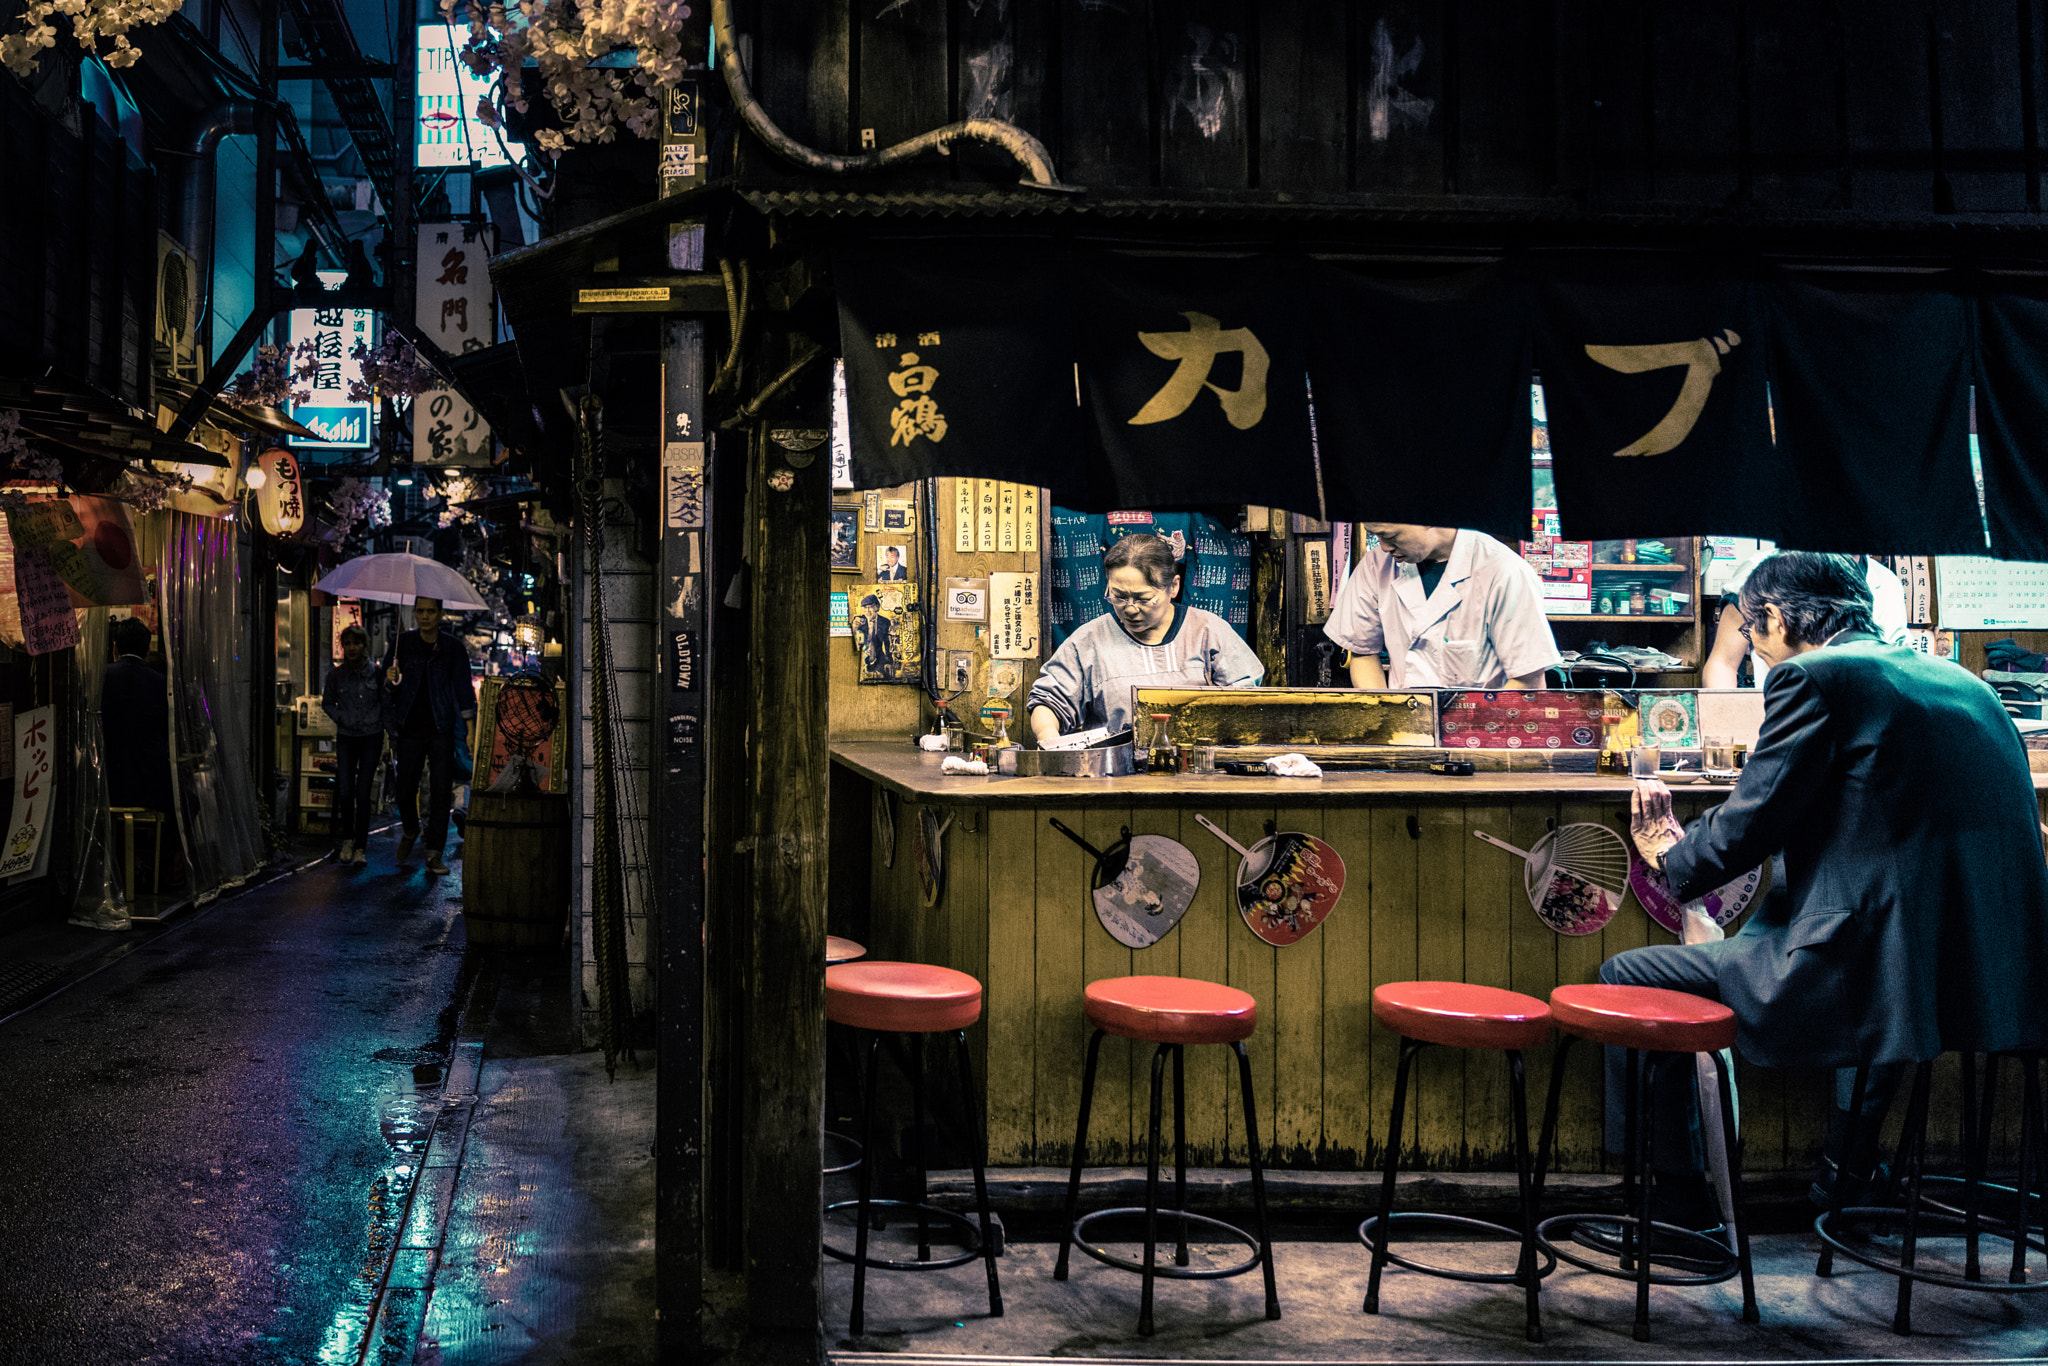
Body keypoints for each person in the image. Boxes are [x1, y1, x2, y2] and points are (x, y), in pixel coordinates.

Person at [1608, 552, 2048, 1255]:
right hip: (1984, 970)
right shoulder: (1965, 682)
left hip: (1866, 966)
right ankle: (1848, 1177)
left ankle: (1680, 1212)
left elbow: (1755, 818)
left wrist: (1669, 855)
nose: (1753, 647)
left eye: (1752, 633)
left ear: (1776, 620)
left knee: (1628, 980)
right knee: (1880, 983)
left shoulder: (1812, 677)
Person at [1027, 533, 1264, 743]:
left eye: (1142, 598)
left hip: (1199, 772)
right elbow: (1048, 702)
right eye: (1118, 596)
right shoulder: (1089, 641)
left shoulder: (1208, 631)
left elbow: (1245, 702)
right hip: (1112, 776)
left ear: (1173, 587)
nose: (1130, 609)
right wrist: (1050, 739)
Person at [1324, 524, 1561, 690]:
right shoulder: (1376, 565)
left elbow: (1527, 680)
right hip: (1403, 734)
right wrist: (1386, 719)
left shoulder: (1504, 571)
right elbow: (1362, 653)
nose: (1385, 547)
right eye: (1377, 536)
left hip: (1482, 735)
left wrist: (1477, 736)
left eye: (1392, 536)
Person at [1701, 547, 1908, 687]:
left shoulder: (1888, 582)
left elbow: (1897, 666)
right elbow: (1723, 663)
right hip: (1778, 714)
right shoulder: (1762, 572)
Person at [87, 616, 174, 923]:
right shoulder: (160, 682)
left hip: (107, 780)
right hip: (150, 782)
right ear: (146, 646)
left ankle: (116, 872)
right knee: (187, 803)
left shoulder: (101, 676)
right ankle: (160, 876)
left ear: (114, 647)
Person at [382, 597, 474, 876]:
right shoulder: (403, 644)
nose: (424, 616)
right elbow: (386, 688)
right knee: (405, 788)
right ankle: (411, 829)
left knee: (440, 792)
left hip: (441, 727)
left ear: (440, 614)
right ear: (414, 612)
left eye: (430, 611)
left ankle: (434, 853)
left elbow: (463, 689)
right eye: (420, 611)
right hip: (409, 727)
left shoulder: (452, 648)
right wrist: (390, 678)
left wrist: (470, 730)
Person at [321, 624, 382, 867]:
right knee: (346, 789)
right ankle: (347, 839)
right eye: (347, 644)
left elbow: (386, 703)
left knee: (363, 792)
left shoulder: (377, 674)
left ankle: (360, 847)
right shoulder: (336, 675)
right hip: (347, 737)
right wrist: (342, 717)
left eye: (356, 643)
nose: (352, 648)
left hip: (371, 737)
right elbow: (328, 703)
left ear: (364, 645)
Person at [853, 594, 900, 679]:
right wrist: (854, 627)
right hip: (861, 657)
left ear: (877, 607)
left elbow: (887, 643)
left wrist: (889, 661)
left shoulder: (885, 622)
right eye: (865, 608)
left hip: (879, 657)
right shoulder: (858, 621)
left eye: (870, 607)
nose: (868, 611)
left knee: (889, 676)